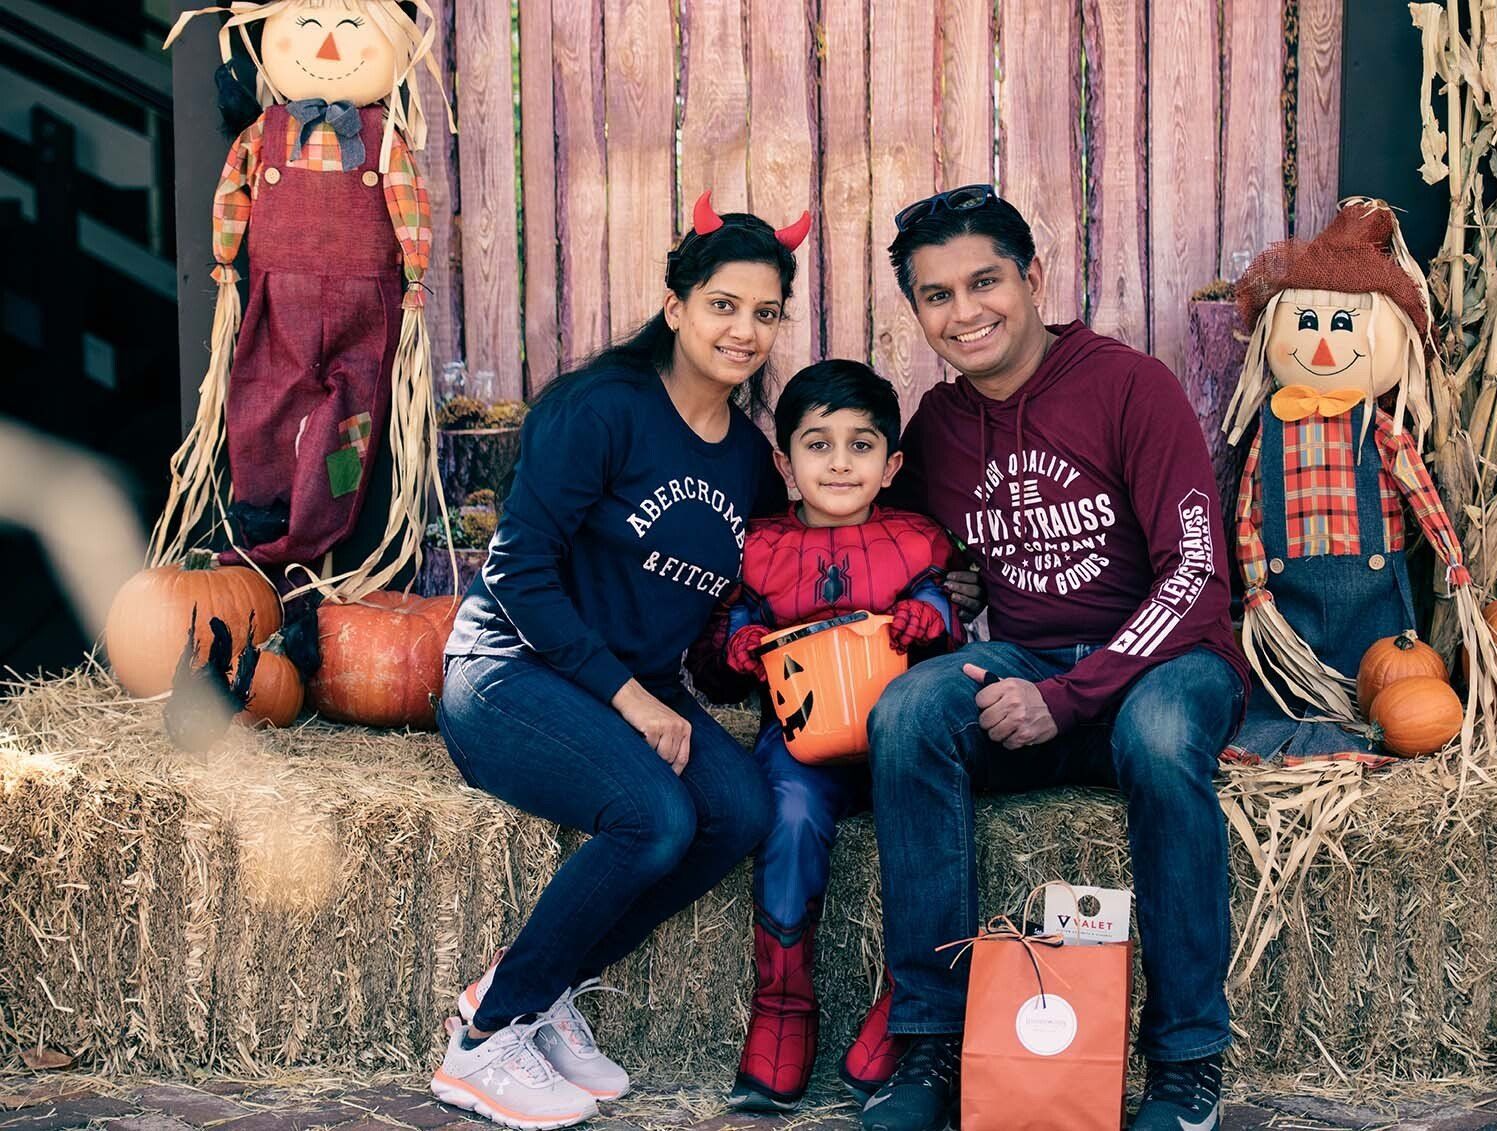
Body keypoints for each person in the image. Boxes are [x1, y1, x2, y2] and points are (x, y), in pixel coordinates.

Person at [858, 186, 1252, 1131]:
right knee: (907, 714)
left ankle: (1187, 1058)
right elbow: (911, 549)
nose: (966, 312)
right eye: (937, 296)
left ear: (1032, 278)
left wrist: (1070, 698)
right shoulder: (938, 434)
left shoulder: (1127, 385)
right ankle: (929, 1044)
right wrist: (938, 588)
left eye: (985, 281)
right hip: (1030, 664)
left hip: (1168, 665)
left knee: (1159, 738)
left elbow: (1195, 575)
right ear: (916, 312)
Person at [430, 191, 810, 1130]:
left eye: (765, 312)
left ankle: (550, 989)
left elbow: (752, 590)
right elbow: (517, 572)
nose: (744, 329)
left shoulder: (748, 463)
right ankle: (485, 1035)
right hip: (510, 673)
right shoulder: (601, 411)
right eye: (724, 304)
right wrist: (632, 699)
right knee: (654, 817)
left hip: (634, 686)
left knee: (742, 810)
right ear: (676, 305)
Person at [697, 361, 959, 1113]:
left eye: (861, 444)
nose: (839, 462)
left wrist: (930, 621)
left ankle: (908, 1005)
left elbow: (945, 618)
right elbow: (721, 642)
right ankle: (783, 1004)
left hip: (895, 743)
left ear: (892, 463)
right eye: (818, 444)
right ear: (784, 461)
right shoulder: (759, 547)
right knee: (785, 814)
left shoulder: (917, 540)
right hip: (801, 738)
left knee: (931, 821)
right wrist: (737, 647)